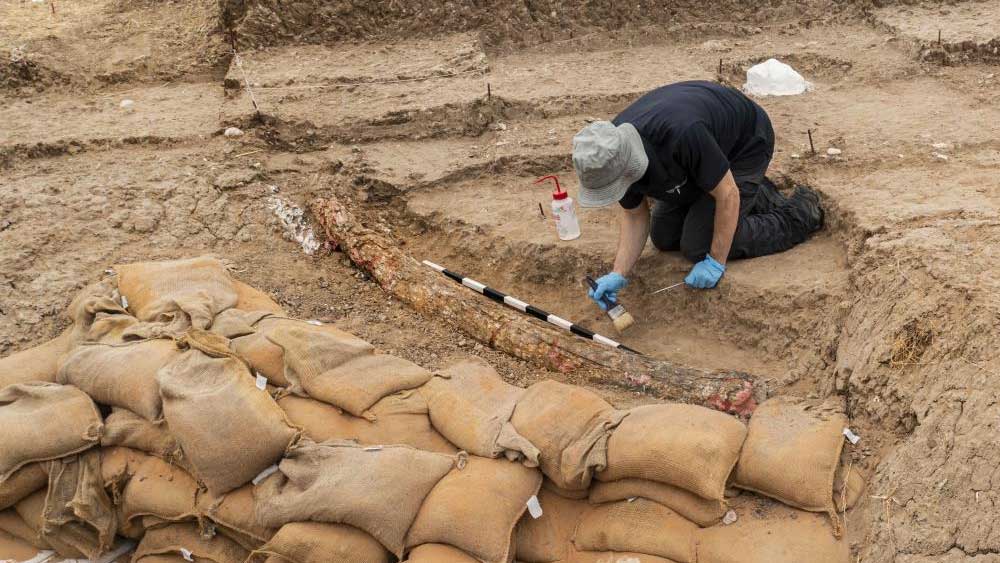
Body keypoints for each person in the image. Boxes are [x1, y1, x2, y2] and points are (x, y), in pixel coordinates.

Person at [572, 80, 823, 309]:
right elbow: (635, 216)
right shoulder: (609, 153)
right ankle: (746, 189)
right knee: (663, 236)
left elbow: (727, 194)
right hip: (698, 157)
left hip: (743, 144)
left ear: (629, 167)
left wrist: (716, 261)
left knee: (697, 245)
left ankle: (799, 213)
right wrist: (619, 273)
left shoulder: (680, 134)